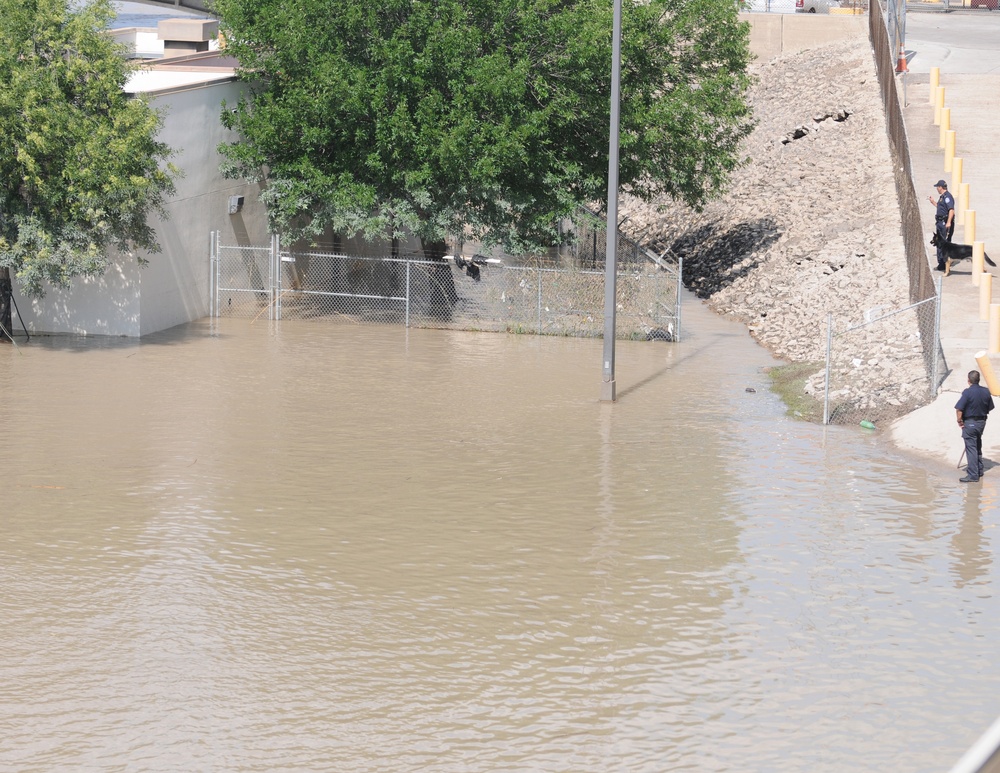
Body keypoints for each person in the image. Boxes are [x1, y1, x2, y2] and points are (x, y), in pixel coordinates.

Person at [954, 370, 994, 482]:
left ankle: (973, 475)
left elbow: (959, 409)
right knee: (977, 444)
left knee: (971, 448)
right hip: (981, 423)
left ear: (968, 380)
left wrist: (959, 421)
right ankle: (979, 470)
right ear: (978, 380)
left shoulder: (967, 392)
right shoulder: (986, 391)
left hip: (970, 423)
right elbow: (989, 407)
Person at [929, 179, 955, 272]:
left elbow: (951, 210)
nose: (937, 189)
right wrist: (933, 202)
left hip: (944, 223)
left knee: (943, 244)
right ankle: (941, 263)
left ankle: (944, 264)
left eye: (937, 187)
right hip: (939, 222)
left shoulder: (948, 197)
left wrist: (948, 222)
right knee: (939, 243)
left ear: (941, 187)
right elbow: (941, 209)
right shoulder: (942, 197)